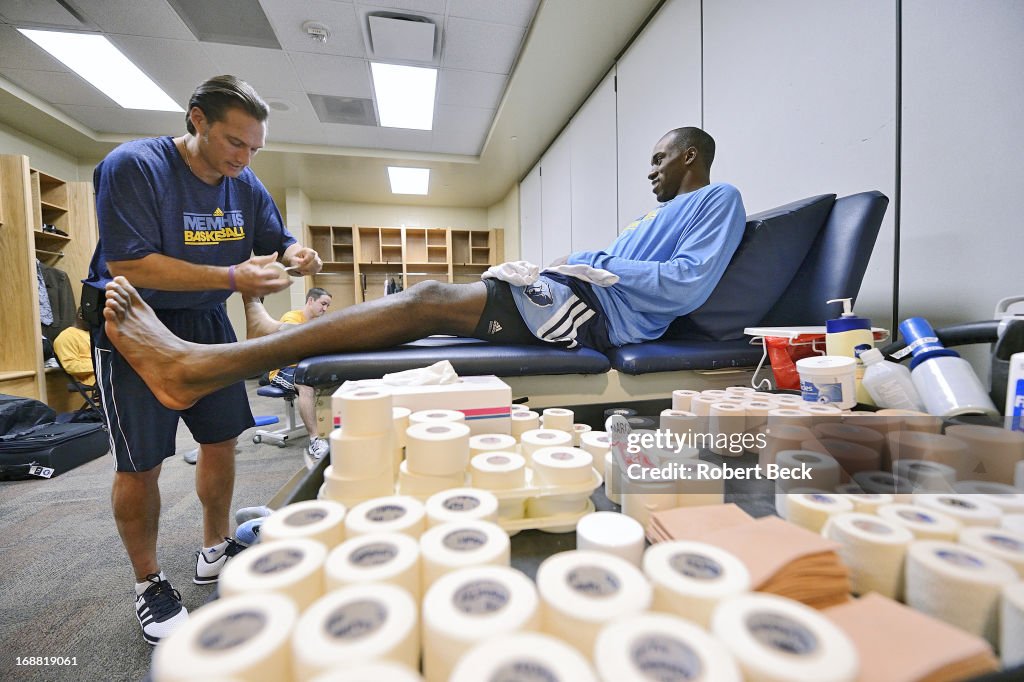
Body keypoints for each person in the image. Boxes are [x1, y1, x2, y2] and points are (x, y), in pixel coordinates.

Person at [100, 126, 745, 416]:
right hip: (577, 295)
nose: (651, 170)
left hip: (598, 317)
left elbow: (685, 281)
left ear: (691, 155)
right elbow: (623, 263)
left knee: (428, 299)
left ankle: (205, 366)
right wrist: (588, 264)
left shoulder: (719, 200)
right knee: (427, 304)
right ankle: (238, 354)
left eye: (660, 158)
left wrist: (595, 268)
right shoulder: (647, 220)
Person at [82, 75, 322, 645]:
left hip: (206, 321)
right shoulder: (134, 166)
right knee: (140, 462)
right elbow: (130, 264)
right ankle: (149, 582)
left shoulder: (245, 182)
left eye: (254, 147)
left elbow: (275, 234)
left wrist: (296, 253)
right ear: (197, 121)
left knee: (220, 439)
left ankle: (215, 547)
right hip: (134, 320)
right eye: (234, 142)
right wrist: (235, 275)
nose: (244, 156)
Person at [260, 287, 333, 462]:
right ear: (310, 301)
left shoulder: (317, 322)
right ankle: (315, 440)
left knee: (337, 378)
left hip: (305, 368)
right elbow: (296, 339)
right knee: (305, 386)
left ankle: (331, 428)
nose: (325, 309)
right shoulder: (291, 317)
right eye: (323, 304)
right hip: (283, 370)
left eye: (327, 306)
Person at [53, 308, 95, 386]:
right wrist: (100, 365)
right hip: (94, 380)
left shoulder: (95, 334)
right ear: (81, 315)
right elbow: (71, 366)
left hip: (108, 375)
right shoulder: (66, 336)